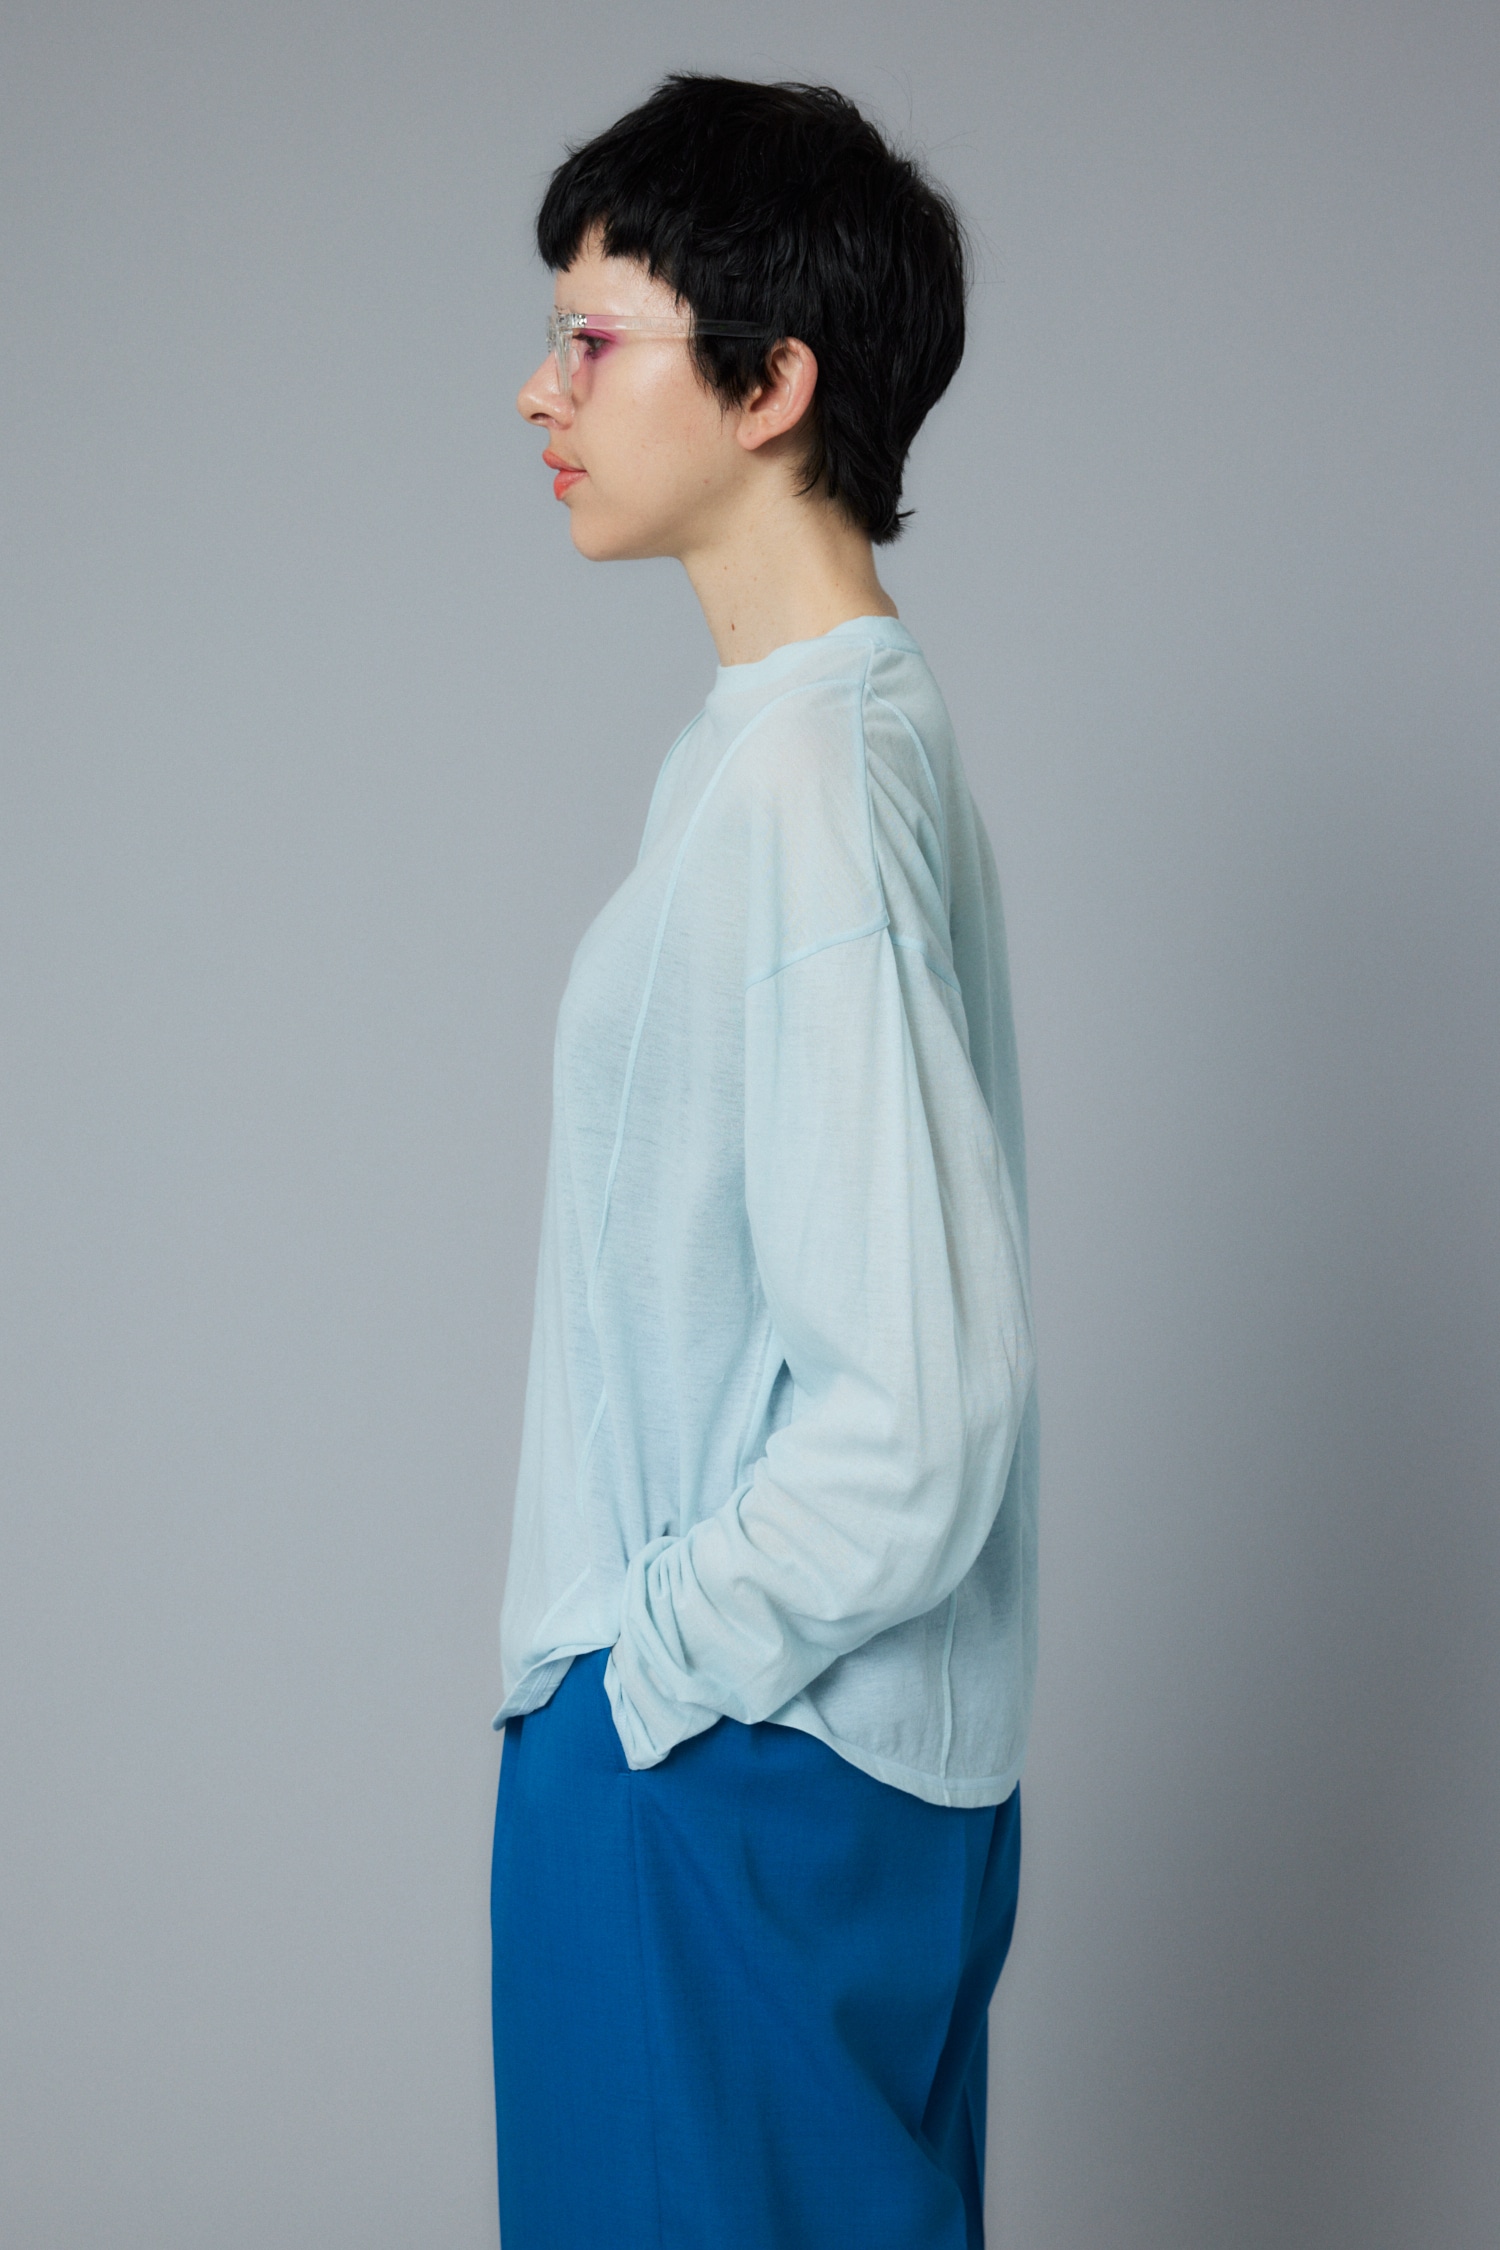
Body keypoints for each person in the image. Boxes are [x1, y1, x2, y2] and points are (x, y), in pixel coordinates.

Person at [490, 73, 1039, 2250]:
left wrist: (635, 1677)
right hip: (809, 1774)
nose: (537, 391)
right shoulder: (820, 748)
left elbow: (922, 1413)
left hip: (733, 1773)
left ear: (770, 382)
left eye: (591, 337)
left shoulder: (811, 785)